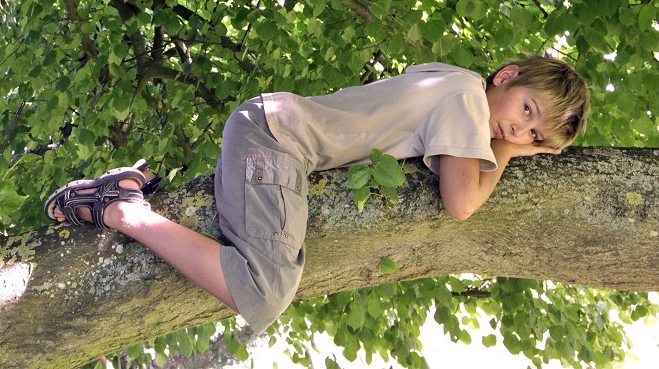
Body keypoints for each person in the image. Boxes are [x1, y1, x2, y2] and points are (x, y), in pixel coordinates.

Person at [44, 54, 590, 330]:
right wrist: (512, 158)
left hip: (271, 131)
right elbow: (462, 203)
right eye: (527, 111)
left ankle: (123, 200)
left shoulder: (448, 79)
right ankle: (122, 209)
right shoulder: (467, 100)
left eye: (535, 136)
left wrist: (510, 143)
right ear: (507, 75)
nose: (520, 132)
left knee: (261, 278)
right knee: (264, 290)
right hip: (278, 139)